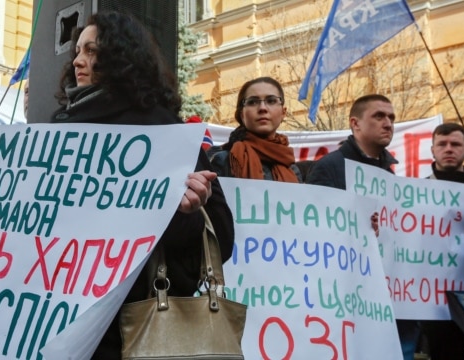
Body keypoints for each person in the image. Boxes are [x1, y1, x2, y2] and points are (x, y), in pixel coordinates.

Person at [51, 11, 235, 359]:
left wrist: (187, 212)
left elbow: (220, 239)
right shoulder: (59, 131)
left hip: (130, 328)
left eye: (91, 51)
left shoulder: (163, 132)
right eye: (77, 50)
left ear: (122, 57)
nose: (78, 60)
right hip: (59, 321)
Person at [304, 94, 422, 358]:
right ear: (355, 124)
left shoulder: (390, 172)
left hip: (393, 294)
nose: (388, 123)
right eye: (379, 116)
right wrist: (357, 226)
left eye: (391, 117)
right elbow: (315, 230)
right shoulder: (329, 167)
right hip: (350, 294)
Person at [419, 122, 464, 359]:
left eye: (455, 144)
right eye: (442, 144)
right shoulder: (414, 193)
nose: (449, 149)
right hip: (437, 300)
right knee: (448, 352)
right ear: (433, 150)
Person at [208, 76, 301, 182]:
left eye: (271, 101)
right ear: (242, 114)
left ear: (283, 113)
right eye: (252, 102)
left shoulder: (291, 168)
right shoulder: (220, 160)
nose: (262, 108)